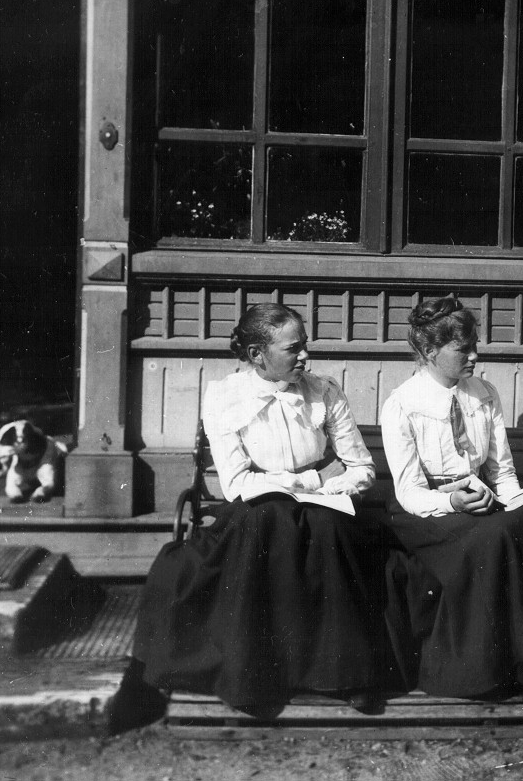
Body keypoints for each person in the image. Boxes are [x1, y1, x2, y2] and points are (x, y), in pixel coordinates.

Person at [109, 303, 392, 732]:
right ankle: (256, 678)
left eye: (305, 345)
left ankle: (341, 675)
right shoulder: (225, 396)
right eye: (293, 348)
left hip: (323, 509)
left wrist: (323, 488)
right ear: (258, 354)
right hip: (257, 511)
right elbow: (238, 484)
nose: (305, 356)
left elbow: (361, 468)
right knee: (266, 523)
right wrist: (315, 477)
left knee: (326, 529)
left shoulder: (324, 392)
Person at [379, 297, 523, 730]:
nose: (475, 356)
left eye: (475, 345)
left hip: (478, 498)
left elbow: (502, 472)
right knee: (493, 537)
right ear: (429, 351)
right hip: (425, 511)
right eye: (463, 349)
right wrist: (452, 502)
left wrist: (521, 502)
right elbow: (410, 491)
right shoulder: (403, 404)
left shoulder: (484, 395)